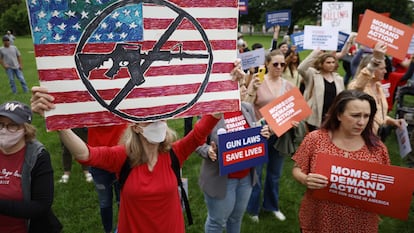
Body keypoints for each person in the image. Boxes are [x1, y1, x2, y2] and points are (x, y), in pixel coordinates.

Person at [291, 90, 390, 233]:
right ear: (338, 115)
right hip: (319, 218)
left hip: (360, 223)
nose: (361, 122)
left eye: (366, 116)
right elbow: (297, 168)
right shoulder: (315, 139)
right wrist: (305, 179)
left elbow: (387, 185)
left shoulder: (377, 148)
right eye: (355, 115)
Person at [196, 75, 271, 233]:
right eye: (240, 86)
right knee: (217, 222)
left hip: (245, 177)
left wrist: (262, 132)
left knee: (236, 218)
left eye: (244, 85)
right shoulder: (210, 114)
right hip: (222, 179)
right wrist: (208, 151)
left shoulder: (246, 108)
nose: (245, 89)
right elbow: (195, 142)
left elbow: (251, 132)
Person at [244, 49, 295, 222]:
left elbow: (293, 110)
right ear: (267, 64)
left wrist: (294, 120)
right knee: (256, 174)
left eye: (282, 64)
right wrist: (252, 89)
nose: (279, 67)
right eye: (275, 64)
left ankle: (271, 206)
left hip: (280, 134)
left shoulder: (288, 86)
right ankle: (253, 209)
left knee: (274, 174)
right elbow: (246, 106)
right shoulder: (258, 82)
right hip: (260, 133)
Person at [0, 101, 62, 233]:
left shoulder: (38, 156)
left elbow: (41, 206)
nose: (4, 130)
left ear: (25, 129)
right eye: (0, 124)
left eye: (12, 125)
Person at [348, 42, 404, 140]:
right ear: (372, 70)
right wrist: (375, 61)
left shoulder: (379, 87)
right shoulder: (359, 86)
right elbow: (357, 88)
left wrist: (392, 121)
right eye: (382, 68)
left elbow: (377, 115)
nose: (385, 72)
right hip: (361, 138)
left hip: (376, 138)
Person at [88, 124, 127, 233]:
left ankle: (121, 228)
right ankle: (109, 230)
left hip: (118, 157)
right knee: (107, 201)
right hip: (99, 159)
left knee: (121, 200)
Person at [298, 49, 345, 131]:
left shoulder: (338, 78)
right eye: (328, 62)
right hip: (315, 115)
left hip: (332, 115)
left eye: (333, 62)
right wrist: (315, 53)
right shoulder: (313, 75)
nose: (331, 65)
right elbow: (301, 68)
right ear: (321, 63)